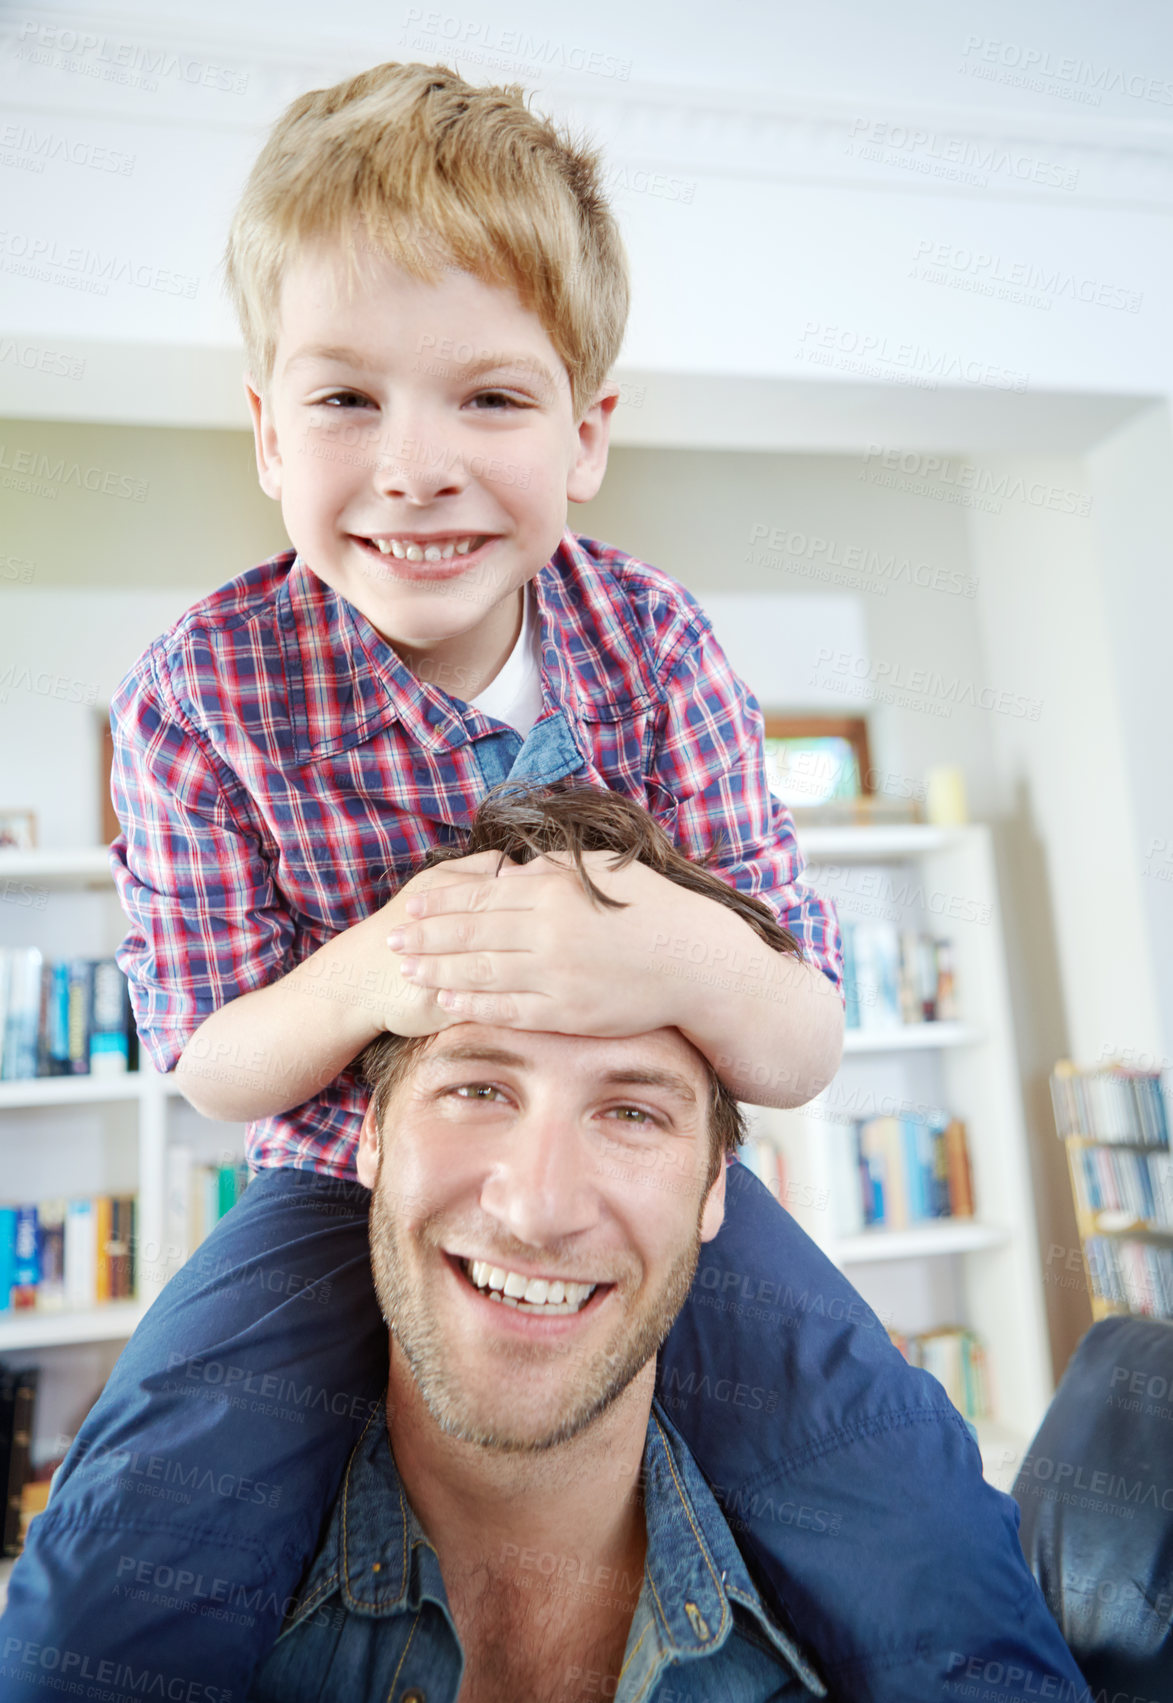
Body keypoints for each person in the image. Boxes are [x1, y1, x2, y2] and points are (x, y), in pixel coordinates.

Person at [0, 62, 1065, 1703]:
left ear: (585, 435)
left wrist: (623, 940)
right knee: (148, 1488)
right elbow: (210, 1055)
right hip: (330, 1184)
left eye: (487, 400)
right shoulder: (196, 693)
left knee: (886, 1463)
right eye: (347, 400)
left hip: (660, 1195)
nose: (414, 465)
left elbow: (792, 1042)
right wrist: (385, 968)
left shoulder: (656, 646)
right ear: (265, 426)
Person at [245, 786, 1085, 1700]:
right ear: (370, 1137)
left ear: (715, 1186)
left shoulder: (874, 1615)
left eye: (631, 1111)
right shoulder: (171, 1631)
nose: (538, 1208)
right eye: (479, 1090)